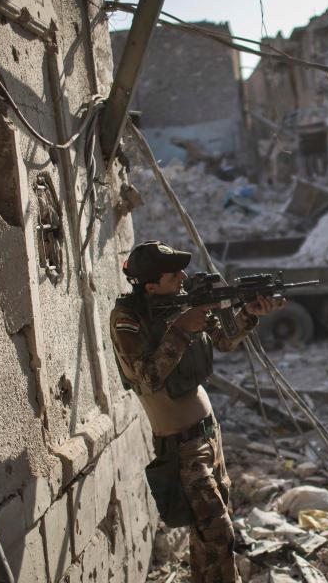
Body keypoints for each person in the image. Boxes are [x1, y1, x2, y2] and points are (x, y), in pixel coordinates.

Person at [109, 240, 284, 583]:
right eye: (174, 274)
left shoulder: (182, 303)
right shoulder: (128, 320)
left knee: (209, 540)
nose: (183, 277)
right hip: (183, 448)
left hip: (208, 436)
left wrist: (249, 314)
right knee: (218, 534)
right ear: (150, 286)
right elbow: (148, 375)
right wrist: (181, 331)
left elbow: (224, 340)